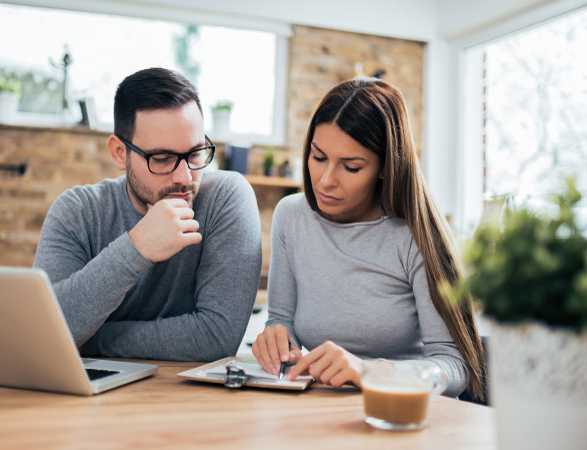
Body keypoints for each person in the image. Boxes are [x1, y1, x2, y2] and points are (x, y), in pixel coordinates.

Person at [252, 78, 485, 400]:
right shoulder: (291, 216)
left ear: (386, 167)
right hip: (323, 410)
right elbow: (281, 320)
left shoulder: (417, 236)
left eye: (350, 166)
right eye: (318, 157)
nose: (325, 180)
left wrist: (369, 372)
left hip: (404, 413)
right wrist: (276, 339)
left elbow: (456, 367)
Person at [34, 68, 262, 361]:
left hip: (188, 396)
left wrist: (87, 339)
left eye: (195, 154)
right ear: (119, 153)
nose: (185, 177)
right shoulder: (77, 211)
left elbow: (216, 337)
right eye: (162, 158)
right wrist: (137, 247)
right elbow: (47, 332)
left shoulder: (225, 198)